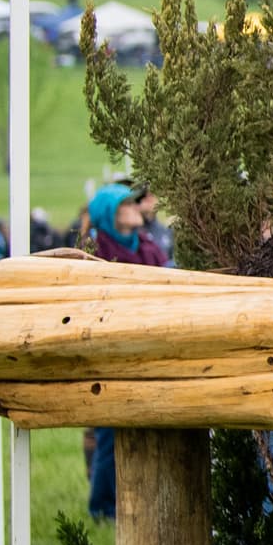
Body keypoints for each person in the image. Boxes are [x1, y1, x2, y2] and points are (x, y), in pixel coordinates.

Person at [81, 182, 168, 520]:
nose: (136, 208)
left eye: (135, 203)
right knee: (109, 436)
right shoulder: (96, 252)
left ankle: (139, 501)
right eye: (126, 204)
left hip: (151, 350)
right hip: (110, 355)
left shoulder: (147, 246)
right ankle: (103, 507)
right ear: (109, 214)